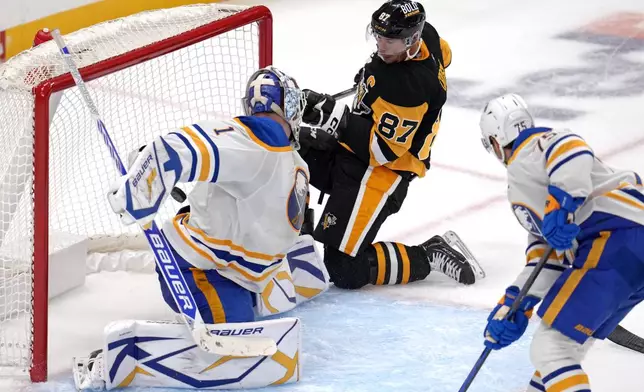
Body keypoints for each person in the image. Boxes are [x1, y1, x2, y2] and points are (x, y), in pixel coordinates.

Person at [72, 66, 330, 390]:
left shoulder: (284, 153)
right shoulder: (260, 138)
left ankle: (262, 282)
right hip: (202, 270)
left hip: (237, 269)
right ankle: (123, 356)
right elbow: (180, 148)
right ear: (288, 106)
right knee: (234, 342)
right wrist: (143, 183)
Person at [297, 0, 479, 290]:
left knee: (344, 269)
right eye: (378, 36)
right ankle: (297, 239)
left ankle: (428, 254)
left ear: (411, 39)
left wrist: (332, 115)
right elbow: (446, 53)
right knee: (287, 146)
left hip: (381, 173)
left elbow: (383, 151)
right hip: (354, 151)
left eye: (390, 40)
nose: (382, 46)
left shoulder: (408, 88)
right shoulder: (427, 37)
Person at [479, 93, 644, 391]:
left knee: (550, 349)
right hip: (629, 248)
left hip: (617, 238)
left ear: (494, 140)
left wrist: (564, 201)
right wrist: (515, 304)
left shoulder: (529, 151)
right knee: (563, 352)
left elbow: (573, 147)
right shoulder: (532, 182)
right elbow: (548, 255)